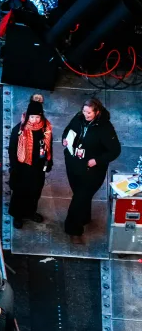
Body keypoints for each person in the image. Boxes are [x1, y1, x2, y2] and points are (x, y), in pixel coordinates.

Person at [62, 97, 121, 240]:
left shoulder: (105, 128)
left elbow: (115, 150)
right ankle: (84, 217)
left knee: (79, 198)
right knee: (81, 196)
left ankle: (72, 229)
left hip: (92, 171)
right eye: (84, 111)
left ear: (97, 112)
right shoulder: (78, 118)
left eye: (89, 113)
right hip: (74, 164)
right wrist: (65, 139)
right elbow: (68, 130)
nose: (86, 115)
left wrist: (97, 161)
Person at [7, 98, 52, 228]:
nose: (35, 120)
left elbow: (48, 147)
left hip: (38, 168)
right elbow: (12, 150)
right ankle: (18, 215)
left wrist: (49, 162)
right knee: (20, 193)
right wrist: (14, 167)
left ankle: (31, 212)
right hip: (22, 168)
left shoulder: (46, 129)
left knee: (35, 192)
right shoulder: (19, 130)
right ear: (27, 116)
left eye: (37, 117)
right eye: (32, 117)